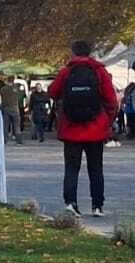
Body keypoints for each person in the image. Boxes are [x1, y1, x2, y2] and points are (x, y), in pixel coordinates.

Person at [48, 40, 118, 217]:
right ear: (90, 52)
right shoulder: (99, 71)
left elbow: (52, 92)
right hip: (95, 129)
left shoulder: (66, 72)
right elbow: (111, 100)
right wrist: (107, 121)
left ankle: (71, 203)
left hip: (71, 129)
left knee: (71, 168)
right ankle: (97, 205)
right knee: (96, 169)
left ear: (73, 53)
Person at [0, 79, 22, 144]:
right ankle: (19, 140)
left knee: (5, 125)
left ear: (7, 82)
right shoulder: (16, 88)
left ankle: (5, 140)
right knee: (16, 125)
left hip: (6, 108)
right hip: (15, 108)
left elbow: (2, 98)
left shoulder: (3, 89)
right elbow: (19, 97)